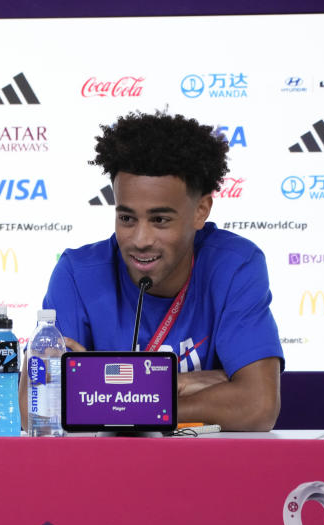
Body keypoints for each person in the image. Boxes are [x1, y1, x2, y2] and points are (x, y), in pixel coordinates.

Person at [38, 111, 283, 431]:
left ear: (200, 211)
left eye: (160, 220)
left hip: (206, 469)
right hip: (103, 470)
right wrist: (175, 386)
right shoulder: (77, 273)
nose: (140, 240)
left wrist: (102, 398)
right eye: (127, 218)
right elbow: (39, 408)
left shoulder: (235, 265)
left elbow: (257, 406)